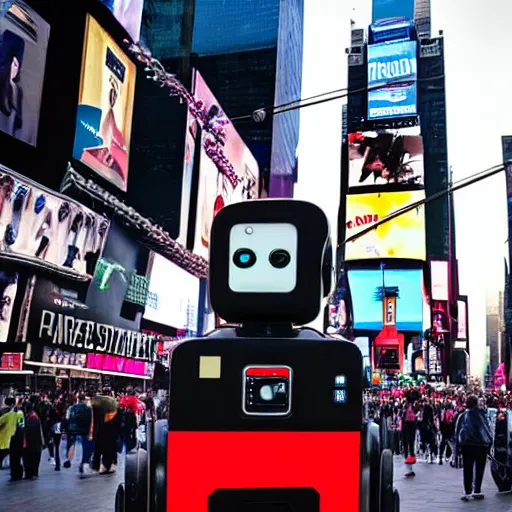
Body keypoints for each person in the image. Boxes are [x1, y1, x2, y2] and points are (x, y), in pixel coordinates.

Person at [455, 395, 492, 501]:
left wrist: (457, 447)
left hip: (467, 445)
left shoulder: (462, 415)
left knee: (467, 469)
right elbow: (486, 429)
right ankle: (477, 490)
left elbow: (457, 431)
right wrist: (489, 442)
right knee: (479, 468)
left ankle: (467, 492)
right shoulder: (481, 414)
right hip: (481, 445)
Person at [63, 394, 94, 475]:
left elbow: (67, 419)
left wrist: (65, 430)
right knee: (85, 446)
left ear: (77, 399)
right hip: (85, 429)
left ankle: (69, 459)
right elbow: (91, 419)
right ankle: (84, 462)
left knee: (72, 444)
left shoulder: (72, 407)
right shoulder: (88, 408)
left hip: (72, 428)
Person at [22, 402, 44, 479]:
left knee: (28, 457)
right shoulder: (36, 417)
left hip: (29, 441)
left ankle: (29, 473)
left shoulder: (27, 417)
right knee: (35, 457)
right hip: (36, 442)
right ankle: (34, 472)